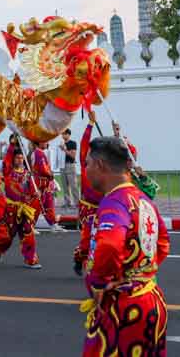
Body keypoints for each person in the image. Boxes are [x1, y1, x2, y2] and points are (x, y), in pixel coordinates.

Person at [82, 137, 169, 356]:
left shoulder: (115, 202)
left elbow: (110, 245)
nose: (86, 170)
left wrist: (100, 283)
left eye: (88, 164)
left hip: (124, 308)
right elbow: (163, 244)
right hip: (151, 299)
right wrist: (139, 273)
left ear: (100, 165)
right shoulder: (143, 199)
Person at [0, 144, 42, 269]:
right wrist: (12, 144)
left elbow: (32, 190)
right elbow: (6, 159)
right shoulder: (8, 171)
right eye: (17, 157)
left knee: (28, 232)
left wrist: (35, 193)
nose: (20, 159)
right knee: (8, 234)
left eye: (21, 157)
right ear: (13, 159)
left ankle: (31, 260)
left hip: (24, 208)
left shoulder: (28, 174)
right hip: (11, 209)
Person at [74, 112, 103, 276]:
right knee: (86, 242)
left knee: (102, 240)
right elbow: (84, 144)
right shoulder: (87, 163)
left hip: (103, 208)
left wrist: (118, 134)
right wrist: (90, 124)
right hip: (87, 209)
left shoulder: (106, 168)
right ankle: (79, 259)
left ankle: (97, 269)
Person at [29, 141, 63, 232]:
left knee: (48, 204)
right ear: (38, 143)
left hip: (45, 183)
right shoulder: (38, 153)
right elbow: (43, 168)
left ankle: (52, 223)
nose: (47, 143)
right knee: (37, 204)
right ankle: (30, 226)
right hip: (39, 183)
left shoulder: (40, 152)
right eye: (44, 141)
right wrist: (50, 175)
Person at [59, 129, 78, 208]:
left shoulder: (72, 143)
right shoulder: (60, 144)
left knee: (73, 185)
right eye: (62, 134)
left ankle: (77, 202)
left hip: (70, 165)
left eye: (64, 134)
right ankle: (67, 202)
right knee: (65, 186)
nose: (63, 135)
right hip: (62, 166)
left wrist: (64, 149)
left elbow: (73, 156)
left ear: (68, 134)